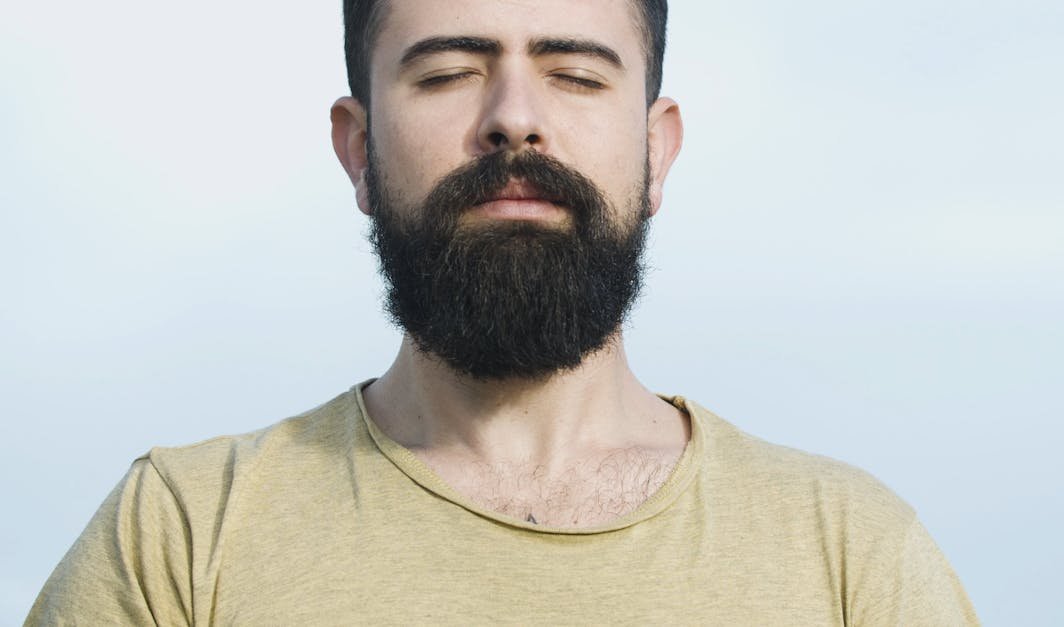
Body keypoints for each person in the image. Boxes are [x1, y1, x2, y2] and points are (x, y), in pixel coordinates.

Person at [27, 1, 979, 624]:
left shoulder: (853, 557)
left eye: (575, 73)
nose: (515, 117)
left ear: (658, 152)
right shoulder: (183, 536)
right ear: (358, 150)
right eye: (446, 73)